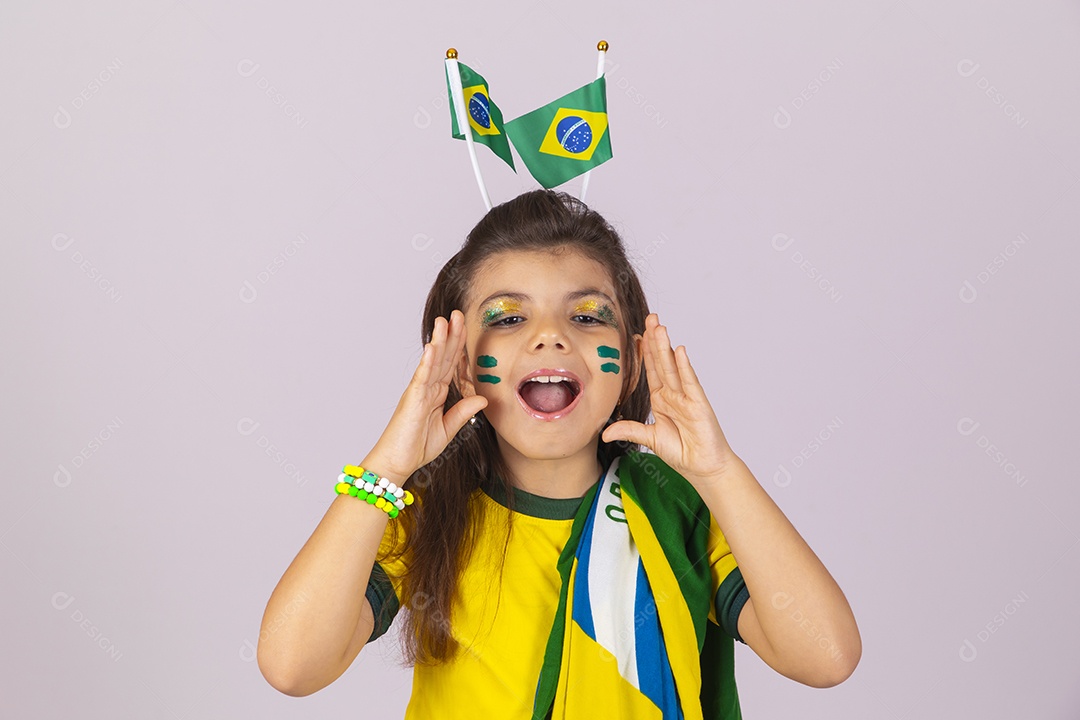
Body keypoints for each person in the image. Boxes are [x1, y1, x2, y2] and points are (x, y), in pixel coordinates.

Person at [257, 189, 861, 718]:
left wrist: (719, 474)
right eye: (510, 316)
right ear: (464, 368)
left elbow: (826, 657)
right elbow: (292, 666)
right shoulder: (417, 511)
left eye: (586, 314)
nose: (550, 334)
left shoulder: (683, 509)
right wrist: (387, 469)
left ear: (627, 363)